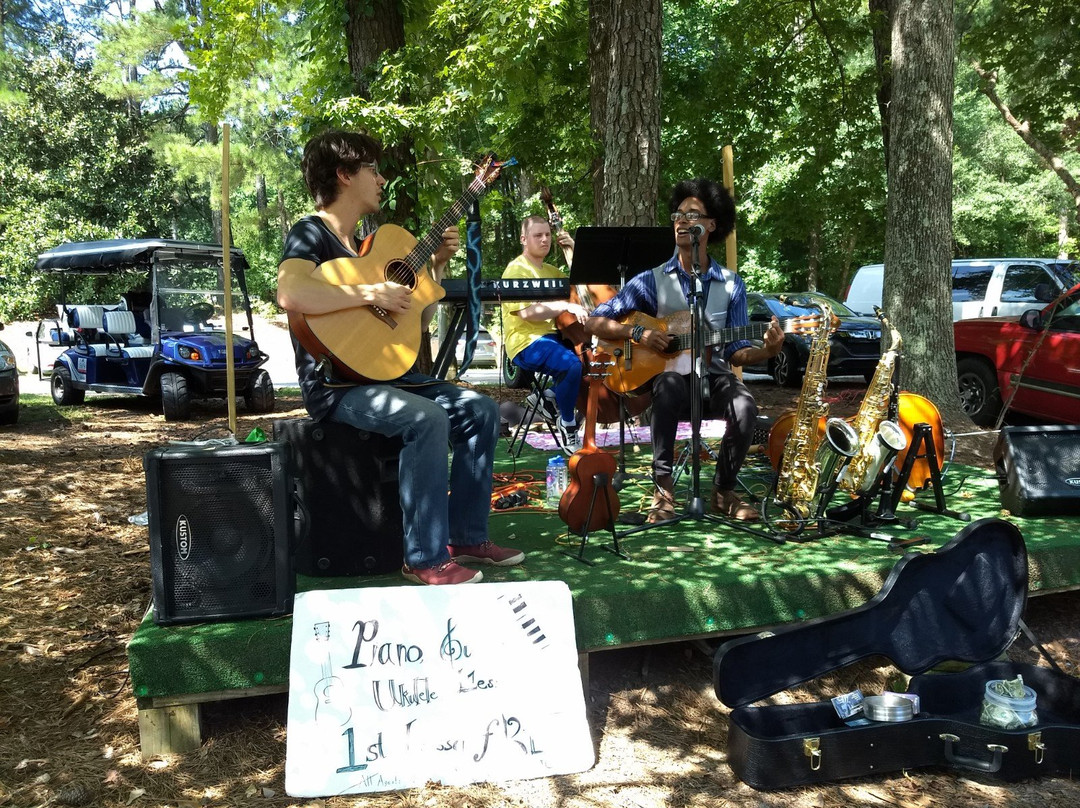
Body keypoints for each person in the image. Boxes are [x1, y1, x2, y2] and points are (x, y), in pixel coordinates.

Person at [277, 130, 524, 585]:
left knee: (481, 408)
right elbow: (290, 293)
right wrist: (372, 291)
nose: (382, 177)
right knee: (426, 418)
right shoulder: (309, 233)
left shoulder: (372, 242)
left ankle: (467, 536)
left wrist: (437, 268)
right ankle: (424, 558)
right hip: (337, 386)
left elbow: (415, 317)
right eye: (373, 169)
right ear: (345, 175)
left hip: (390, 376)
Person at [585, 178, 785, 523]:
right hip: (670, 382)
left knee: (744, 404)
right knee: (668, 386)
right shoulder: (651, 279)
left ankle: (723, 491)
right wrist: (639, 333)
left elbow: (736, 351)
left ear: (711, 225)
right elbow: (595, 322)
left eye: (692, 215)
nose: (681, 220)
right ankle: (663, 491)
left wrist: (767, 351)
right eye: (677, 214)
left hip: (714, 377)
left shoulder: (731, 284)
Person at [500, 215, 586, 454]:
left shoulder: (551, 270)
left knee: (593, 363)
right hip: (526, 342)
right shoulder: (516, 270)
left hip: (553, 338)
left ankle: (550, 396)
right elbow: (528, 313)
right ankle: (567, 422)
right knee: (571, 365)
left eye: (547, 234)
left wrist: (572, 250)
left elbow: (581, 287)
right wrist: (564, 306)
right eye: (538, 235)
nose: (545, 239)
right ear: (523, 239)